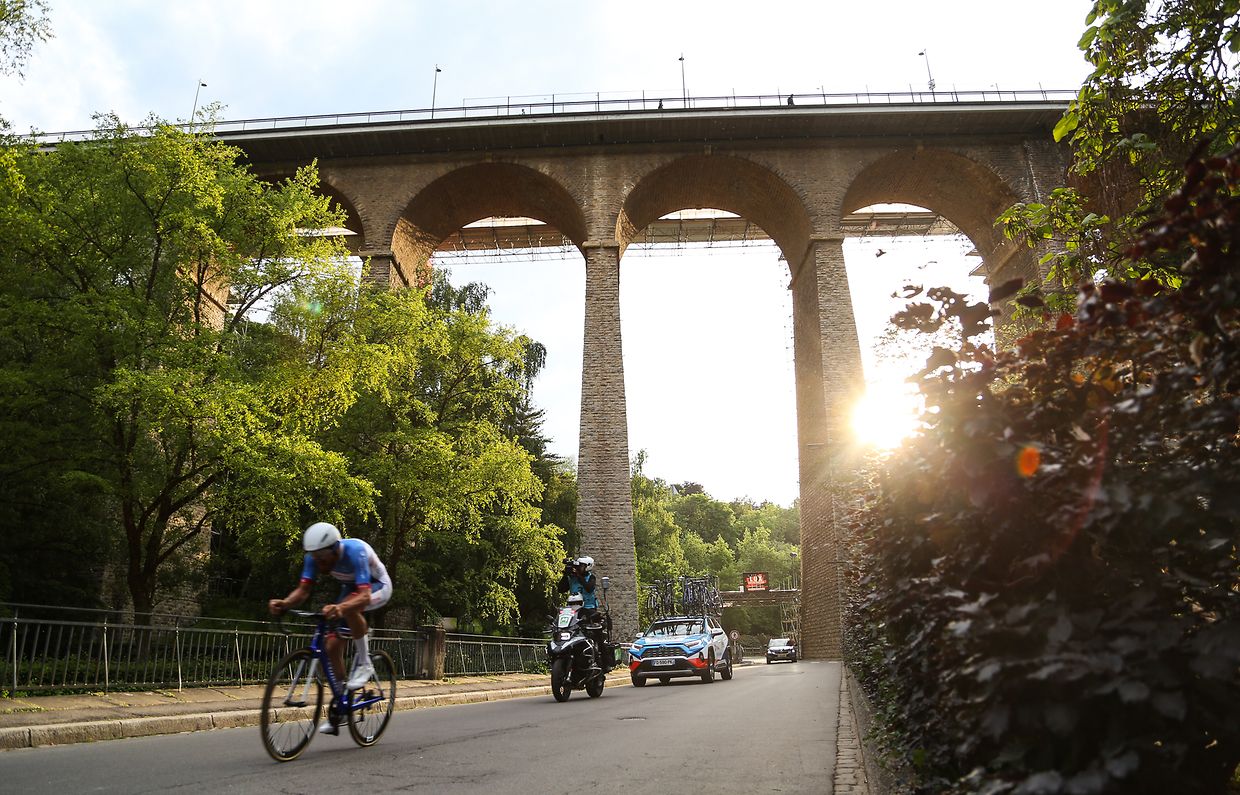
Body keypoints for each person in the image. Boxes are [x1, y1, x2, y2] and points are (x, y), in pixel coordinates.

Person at [269, 522, 393, 734]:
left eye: (322, 558)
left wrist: (341, 607)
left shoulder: (356, 551)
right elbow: (303, 590)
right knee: (331, 645)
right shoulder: (313, 557)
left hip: (377, 586)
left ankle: (365, 664)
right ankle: (342, 703)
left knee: (351, 608)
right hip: (352, 589)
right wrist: (285, 603)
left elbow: (363, 596)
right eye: (314, 558)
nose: (318, 562)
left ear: (335, 549)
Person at [558, 556, 604, 670]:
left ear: (588, 567)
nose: (579, 568)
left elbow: (589, 588)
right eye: (578, 566)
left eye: (581, 566)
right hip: (573, 610)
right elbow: (561, 589)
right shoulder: (571, 578)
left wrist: (579, 576)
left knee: (596, 633)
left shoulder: (591, 577)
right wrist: (566, 575)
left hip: (588, 610)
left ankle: (601, 660)